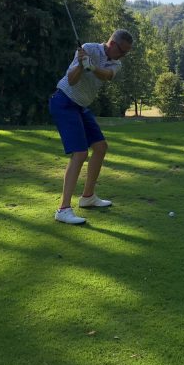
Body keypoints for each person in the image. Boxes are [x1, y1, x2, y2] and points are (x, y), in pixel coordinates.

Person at [48, 29, 133, 224]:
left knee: (100, 147)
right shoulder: (88, 49)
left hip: (80, 106)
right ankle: (63, 209)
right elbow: (71, 79)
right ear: (112, 45)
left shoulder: (116, 62)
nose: (124, 56)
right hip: (64, 101)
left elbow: (107, 76)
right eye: (123, 51)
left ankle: (87, 197)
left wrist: (92, 67)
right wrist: (80, 63)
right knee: (79, 153)